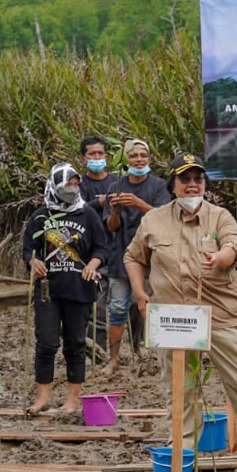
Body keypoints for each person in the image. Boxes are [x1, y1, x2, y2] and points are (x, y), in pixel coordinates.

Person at [124, 153, 237, 461]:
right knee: (179, 386)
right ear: (173, 185)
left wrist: (219, 258)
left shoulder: (220, 216)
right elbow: (134, 257)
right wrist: (139, 291)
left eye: (197, 180)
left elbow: (233, 247)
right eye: (185, 180)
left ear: (204, 185)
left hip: (220, 313)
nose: (192, 185)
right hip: (175, 317)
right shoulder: (153, 220)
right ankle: (184, 446)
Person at [23, 163, 108, 415]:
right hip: (48, 290)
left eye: (75, 183)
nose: (72, 188)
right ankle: (43, 397)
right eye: (66, 184)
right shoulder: (41, 216)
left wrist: (93, 264)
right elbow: (27, 248)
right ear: (55, 186)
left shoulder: (87, 214)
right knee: (46, 343)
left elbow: (102, 248)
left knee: (76, 343)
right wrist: (33, 261)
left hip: (80, 289)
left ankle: (72, 399)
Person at [102, 139, 171, 376]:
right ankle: (114, 359)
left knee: (152, 307)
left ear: (149, 160)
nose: (139, 159)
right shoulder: (116, 187)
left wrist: (139, 203)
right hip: (121, 257)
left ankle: (158, 357)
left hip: (153, 259)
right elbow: (111, 227)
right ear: (126, 160)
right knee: (118, 307)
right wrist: (115, 211)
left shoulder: (159, 186)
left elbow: (165, 218)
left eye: (143, 155)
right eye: (133, 156)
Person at [78, 136, 120, 354]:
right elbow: (77, 210)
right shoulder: (79, 184)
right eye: (91, 154)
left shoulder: (117, 181)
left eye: (100, 154)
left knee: (124, 304)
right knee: (97, 305)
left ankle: (131, 347)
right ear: (83, 159)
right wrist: (100, 202)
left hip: (117, 249)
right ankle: (97, 351)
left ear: (107, 156)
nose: (96, 158)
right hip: (91, 252)